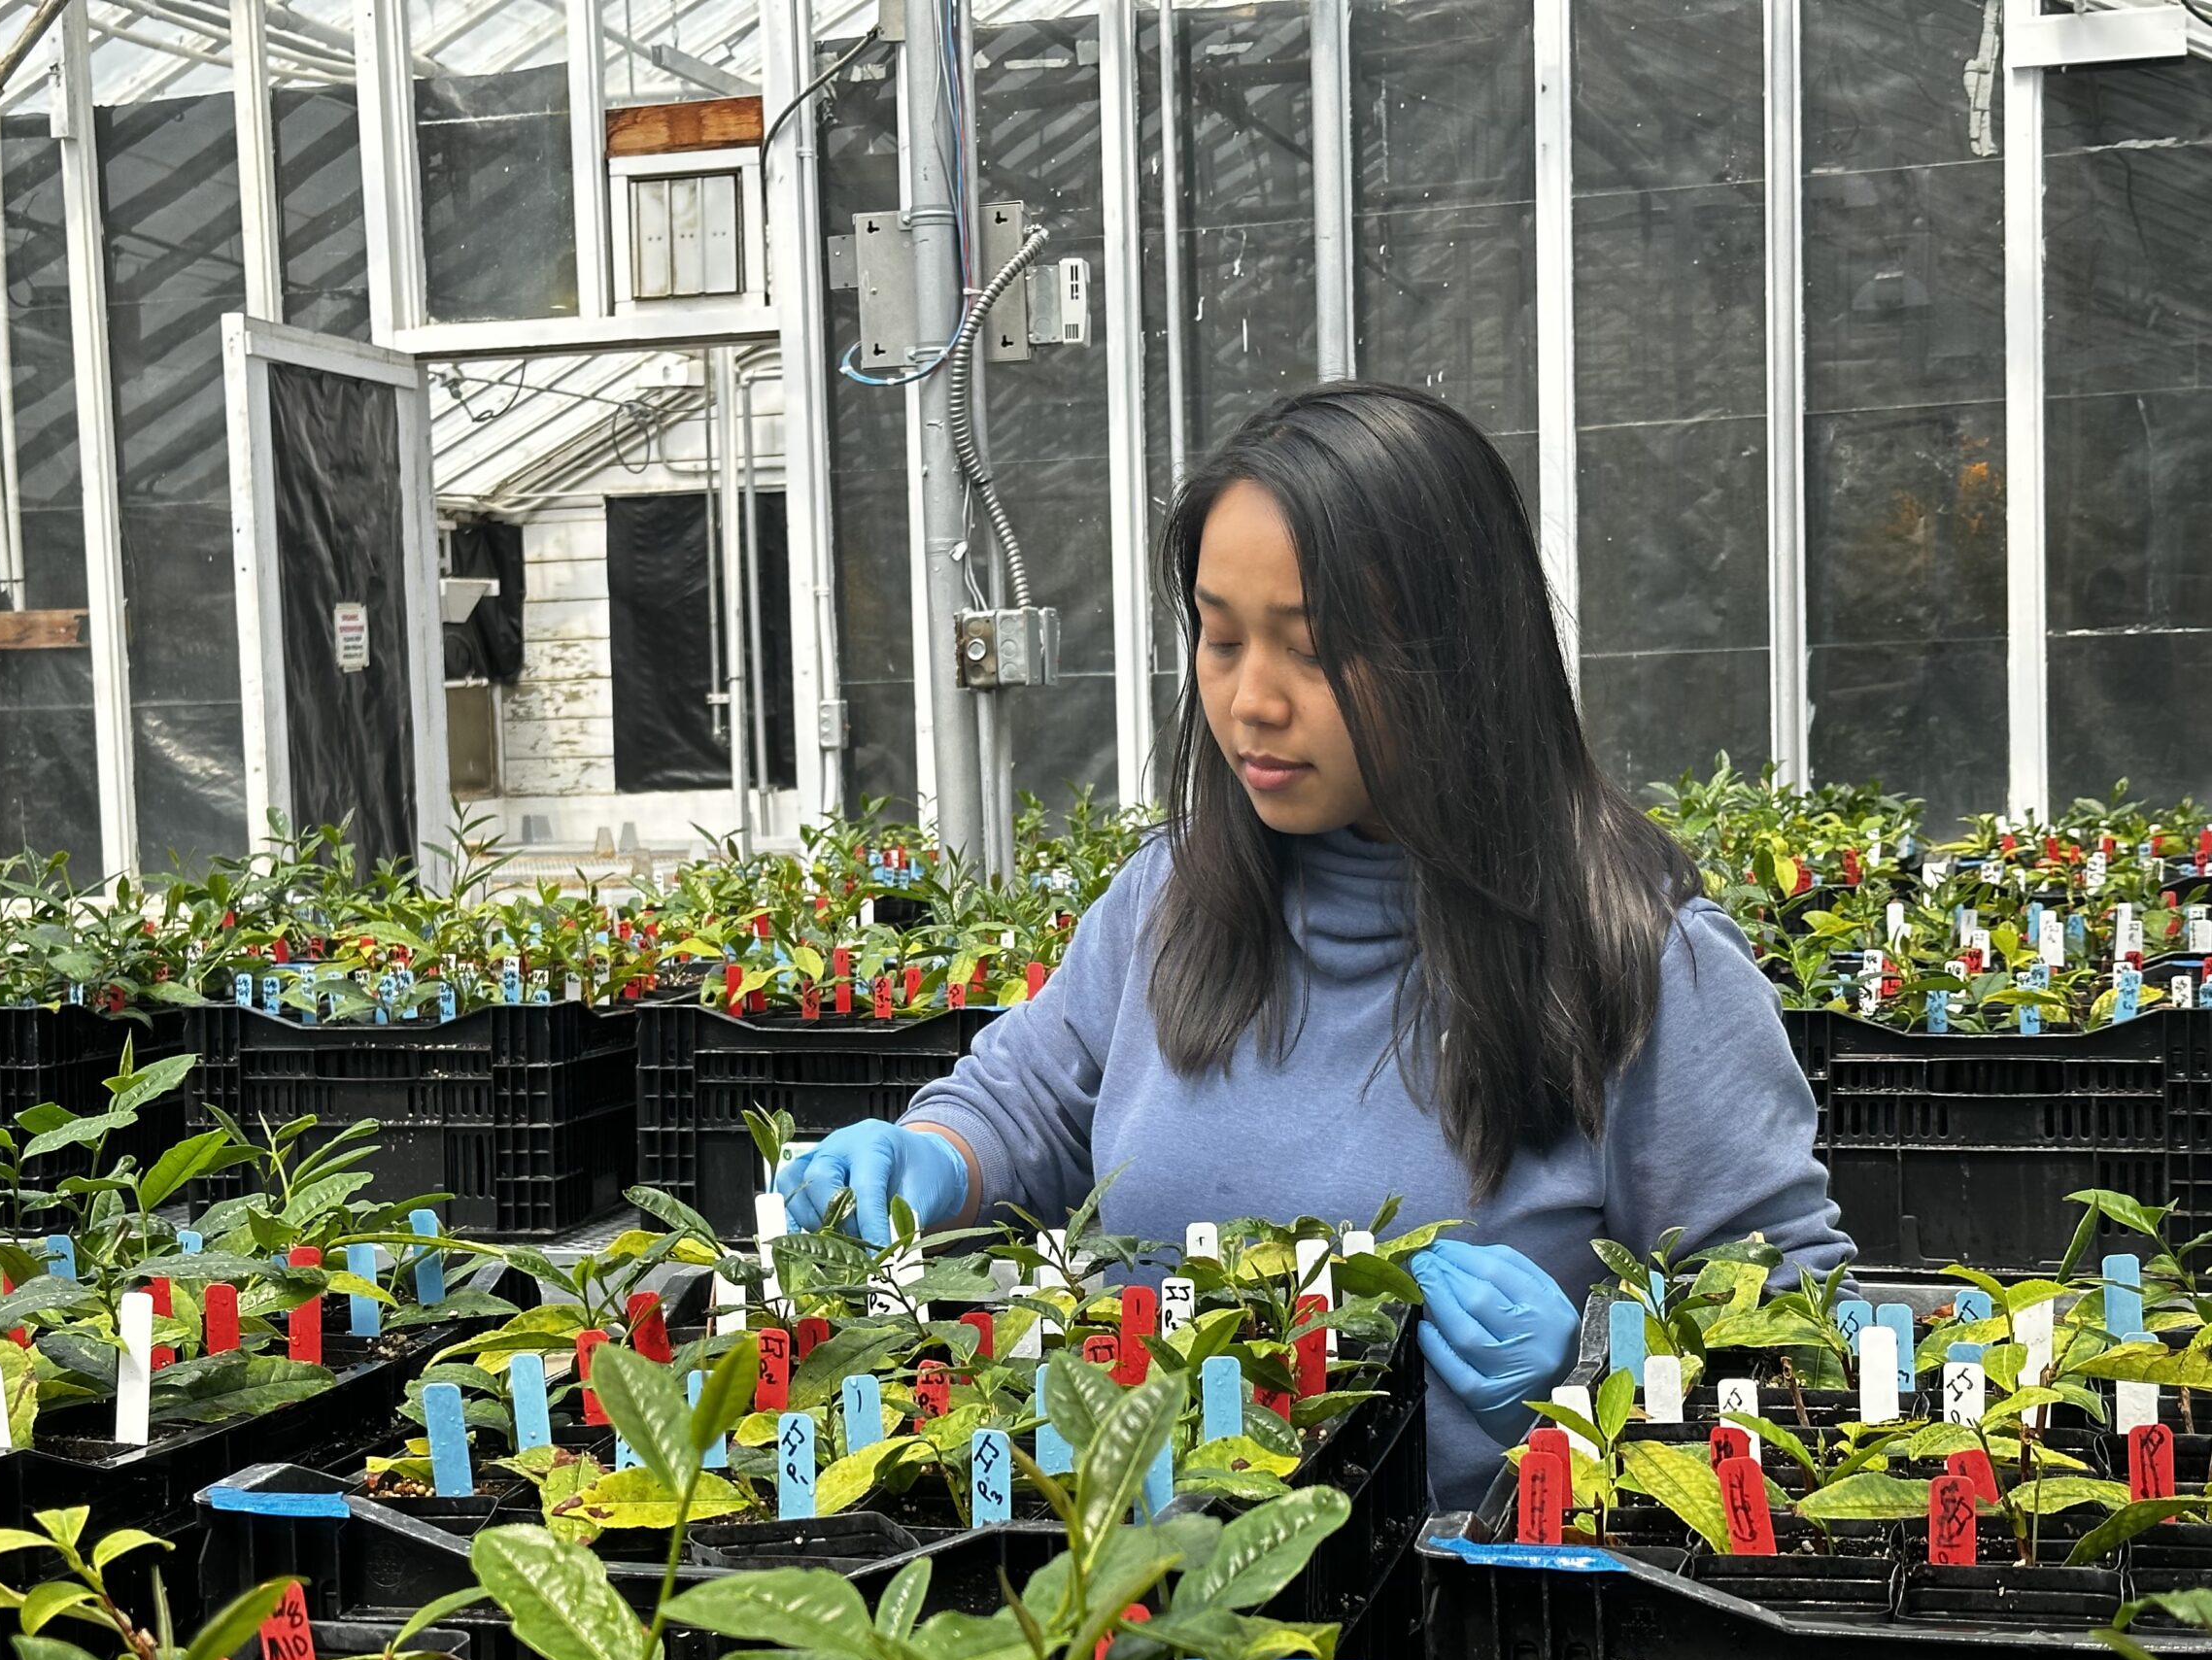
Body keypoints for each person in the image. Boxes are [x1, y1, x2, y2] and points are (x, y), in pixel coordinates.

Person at [776, 382, 1853, 1509]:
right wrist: (930, 1160)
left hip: (1475, 1635)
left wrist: (1594, 1379)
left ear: (1459, 655)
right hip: (1154, 1608)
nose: (1249, 702)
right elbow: (1032, 1099)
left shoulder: (1642, 964)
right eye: (1219, 635)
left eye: (1311, 649)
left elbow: (1788, 1331)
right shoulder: (1172, 897)